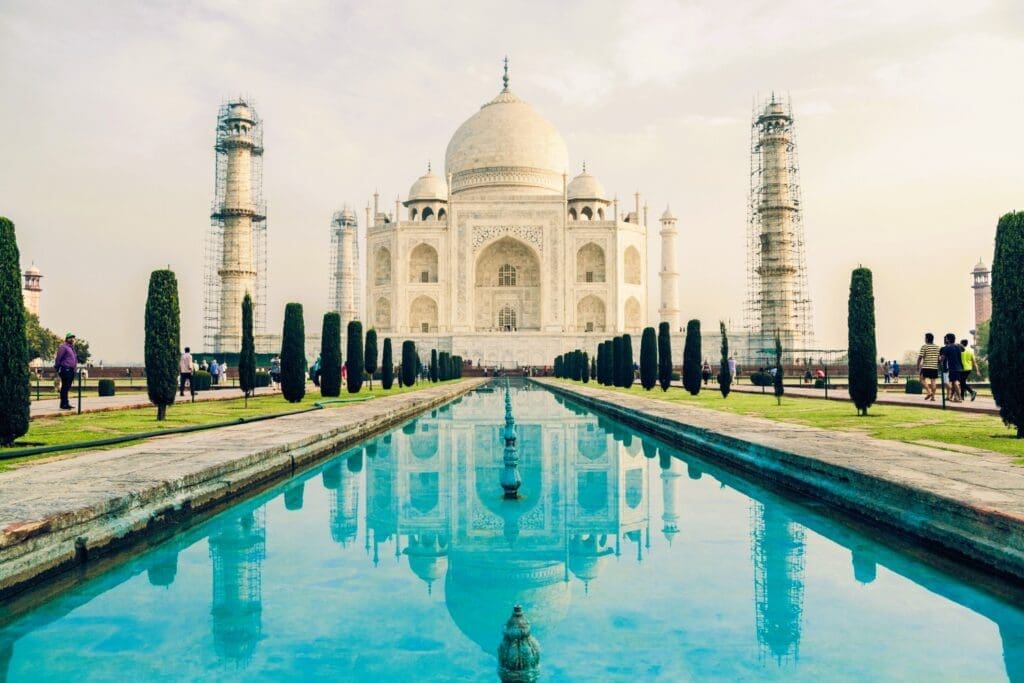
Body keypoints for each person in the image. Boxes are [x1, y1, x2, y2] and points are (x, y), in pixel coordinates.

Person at [54, 332, 78, 410]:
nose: (72, 339)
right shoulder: (63, 347)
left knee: (67, 387)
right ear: (67, 339)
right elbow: (58, 358)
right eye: (70, 338)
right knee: (65, 387)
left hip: (71, 370)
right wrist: (57, 367)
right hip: (65, 369)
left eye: (73, 338)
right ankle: (64, 404)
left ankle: (65, 403)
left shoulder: (71, 348)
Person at [940, 333, 963, 402]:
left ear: (948, 339)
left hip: (952, 367)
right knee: (953, 382)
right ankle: (953, 397)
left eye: (946, 338)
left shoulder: (947, 348)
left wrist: (939, 360)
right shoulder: (958, 347)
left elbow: (942, 359)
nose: (945, 339)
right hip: (959, 367)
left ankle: (959, 398)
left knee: (955, 382)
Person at [917, 333, 940, 401]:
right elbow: (938, 358)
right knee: (933, 381)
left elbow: (920, 357)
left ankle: (929, 392)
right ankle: (933, 397)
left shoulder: (924, 346)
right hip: (934, 367)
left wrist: (918, 366)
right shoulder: (937, 347)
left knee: (921, 380)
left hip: (926, 366)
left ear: (927, 339)